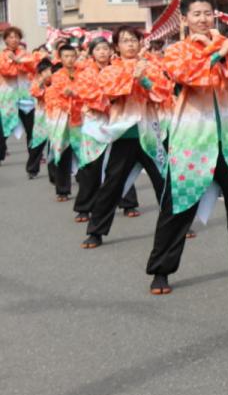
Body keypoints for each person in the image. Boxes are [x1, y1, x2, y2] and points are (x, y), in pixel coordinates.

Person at [144, 0, 228, 296]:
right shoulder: (176, 51)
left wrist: (224, 50)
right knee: (177, 206)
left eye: (208, 13)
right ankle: (161, 269)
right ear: (185, 18)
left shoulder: (226, 44)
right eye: (197, 14)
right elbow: (192, 75)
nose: (203, 19)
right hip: (192, 141)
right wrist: (221, 52)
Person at [81, 27, 171, 249]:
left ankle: (177, 225)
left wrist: (145, 81)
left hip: (150, 132)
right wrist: (134, 77)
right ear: (117, 47)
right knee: (112, 184)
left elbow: (163, 93)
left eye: (134, 40)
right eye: (125, 41)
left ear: (140, 43)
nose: (130, 44)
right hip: (123, 135)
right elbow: (110, 93)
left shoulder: (152, 66)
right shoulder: (111, 71)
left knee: (164, 180)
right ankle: (95, 231)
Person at [44, 42, 91, 202]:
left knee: (84, 154)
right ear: (60, 58)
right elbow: (58, 96)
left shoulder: (84, 73)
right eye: (66, 56)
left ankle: (87, 187)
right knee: (63, 153)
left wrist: (75, 93)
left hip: (82, 119)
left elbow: (86, 91)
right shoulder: (57, 76)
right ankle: (62, 190)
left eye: (72, 56)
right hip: (64, 120)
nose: (70, 59)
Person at [0, 26, 37, 165]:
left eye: (16, 36)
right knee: (4, 128)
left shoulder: (26, 54)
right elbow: (6, 71)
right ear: (5, 40)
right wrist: (17, 62)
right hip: (7, 97)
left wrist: (17, 60)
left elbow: (32, 67)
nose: (14, 39)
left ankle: (33, 163)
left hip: (26, 97)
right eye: (10, 37)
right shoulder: (2, 56)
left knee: (31, 130)